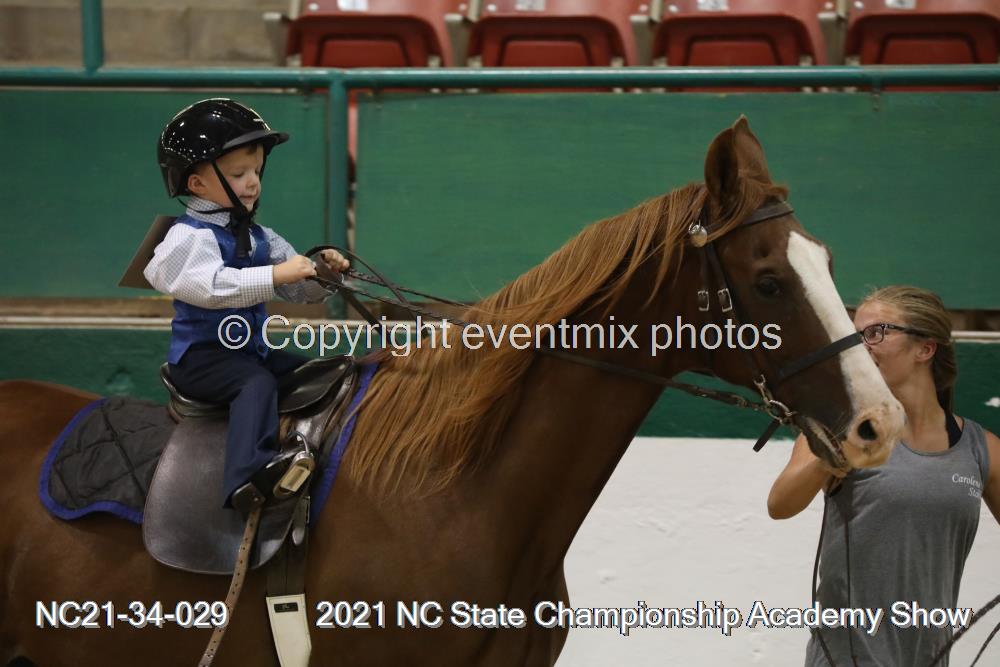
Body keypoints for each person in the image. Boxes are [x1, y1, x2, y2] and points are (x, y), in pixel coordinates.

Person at [767, 285, 1000, 666]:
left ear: (925, 349)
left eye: (876, 333)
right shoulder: (837, 426)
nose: (860, 347)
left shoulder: (980, 448)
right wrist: (833, 455)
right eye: (855, 335)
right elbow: (779, 504)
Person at [145, 98, 349, 511]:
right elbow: (210, 288)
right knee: (254, 384)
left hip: (250, 351)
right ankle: (247, 478)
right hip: (202, 360)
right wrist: (275, 275)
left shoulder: (261, 238)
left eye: (256, 171)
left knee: (325, 370)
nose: (253, 182)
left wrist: (324, 276)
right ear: (196, 184)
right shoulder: (189, 237)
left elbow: (298, 291)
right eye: (239, 174)